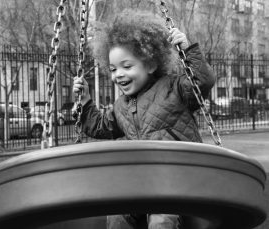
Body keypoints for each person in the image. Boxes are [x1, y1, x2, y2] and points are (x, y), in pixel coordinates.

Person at [73, 9, 215, 229]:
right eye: (113, 69)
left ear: (150, 64)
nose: (118, 74)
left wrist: (188, 50)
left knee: (161, 219)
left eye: (126, 66)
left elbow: (202, 83)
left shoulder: (174, 88)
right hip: (141, 181)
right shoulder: (121, 106)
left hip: (178, 177)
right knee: (117, 215)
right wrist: (85, 103)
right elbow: (100, 126)